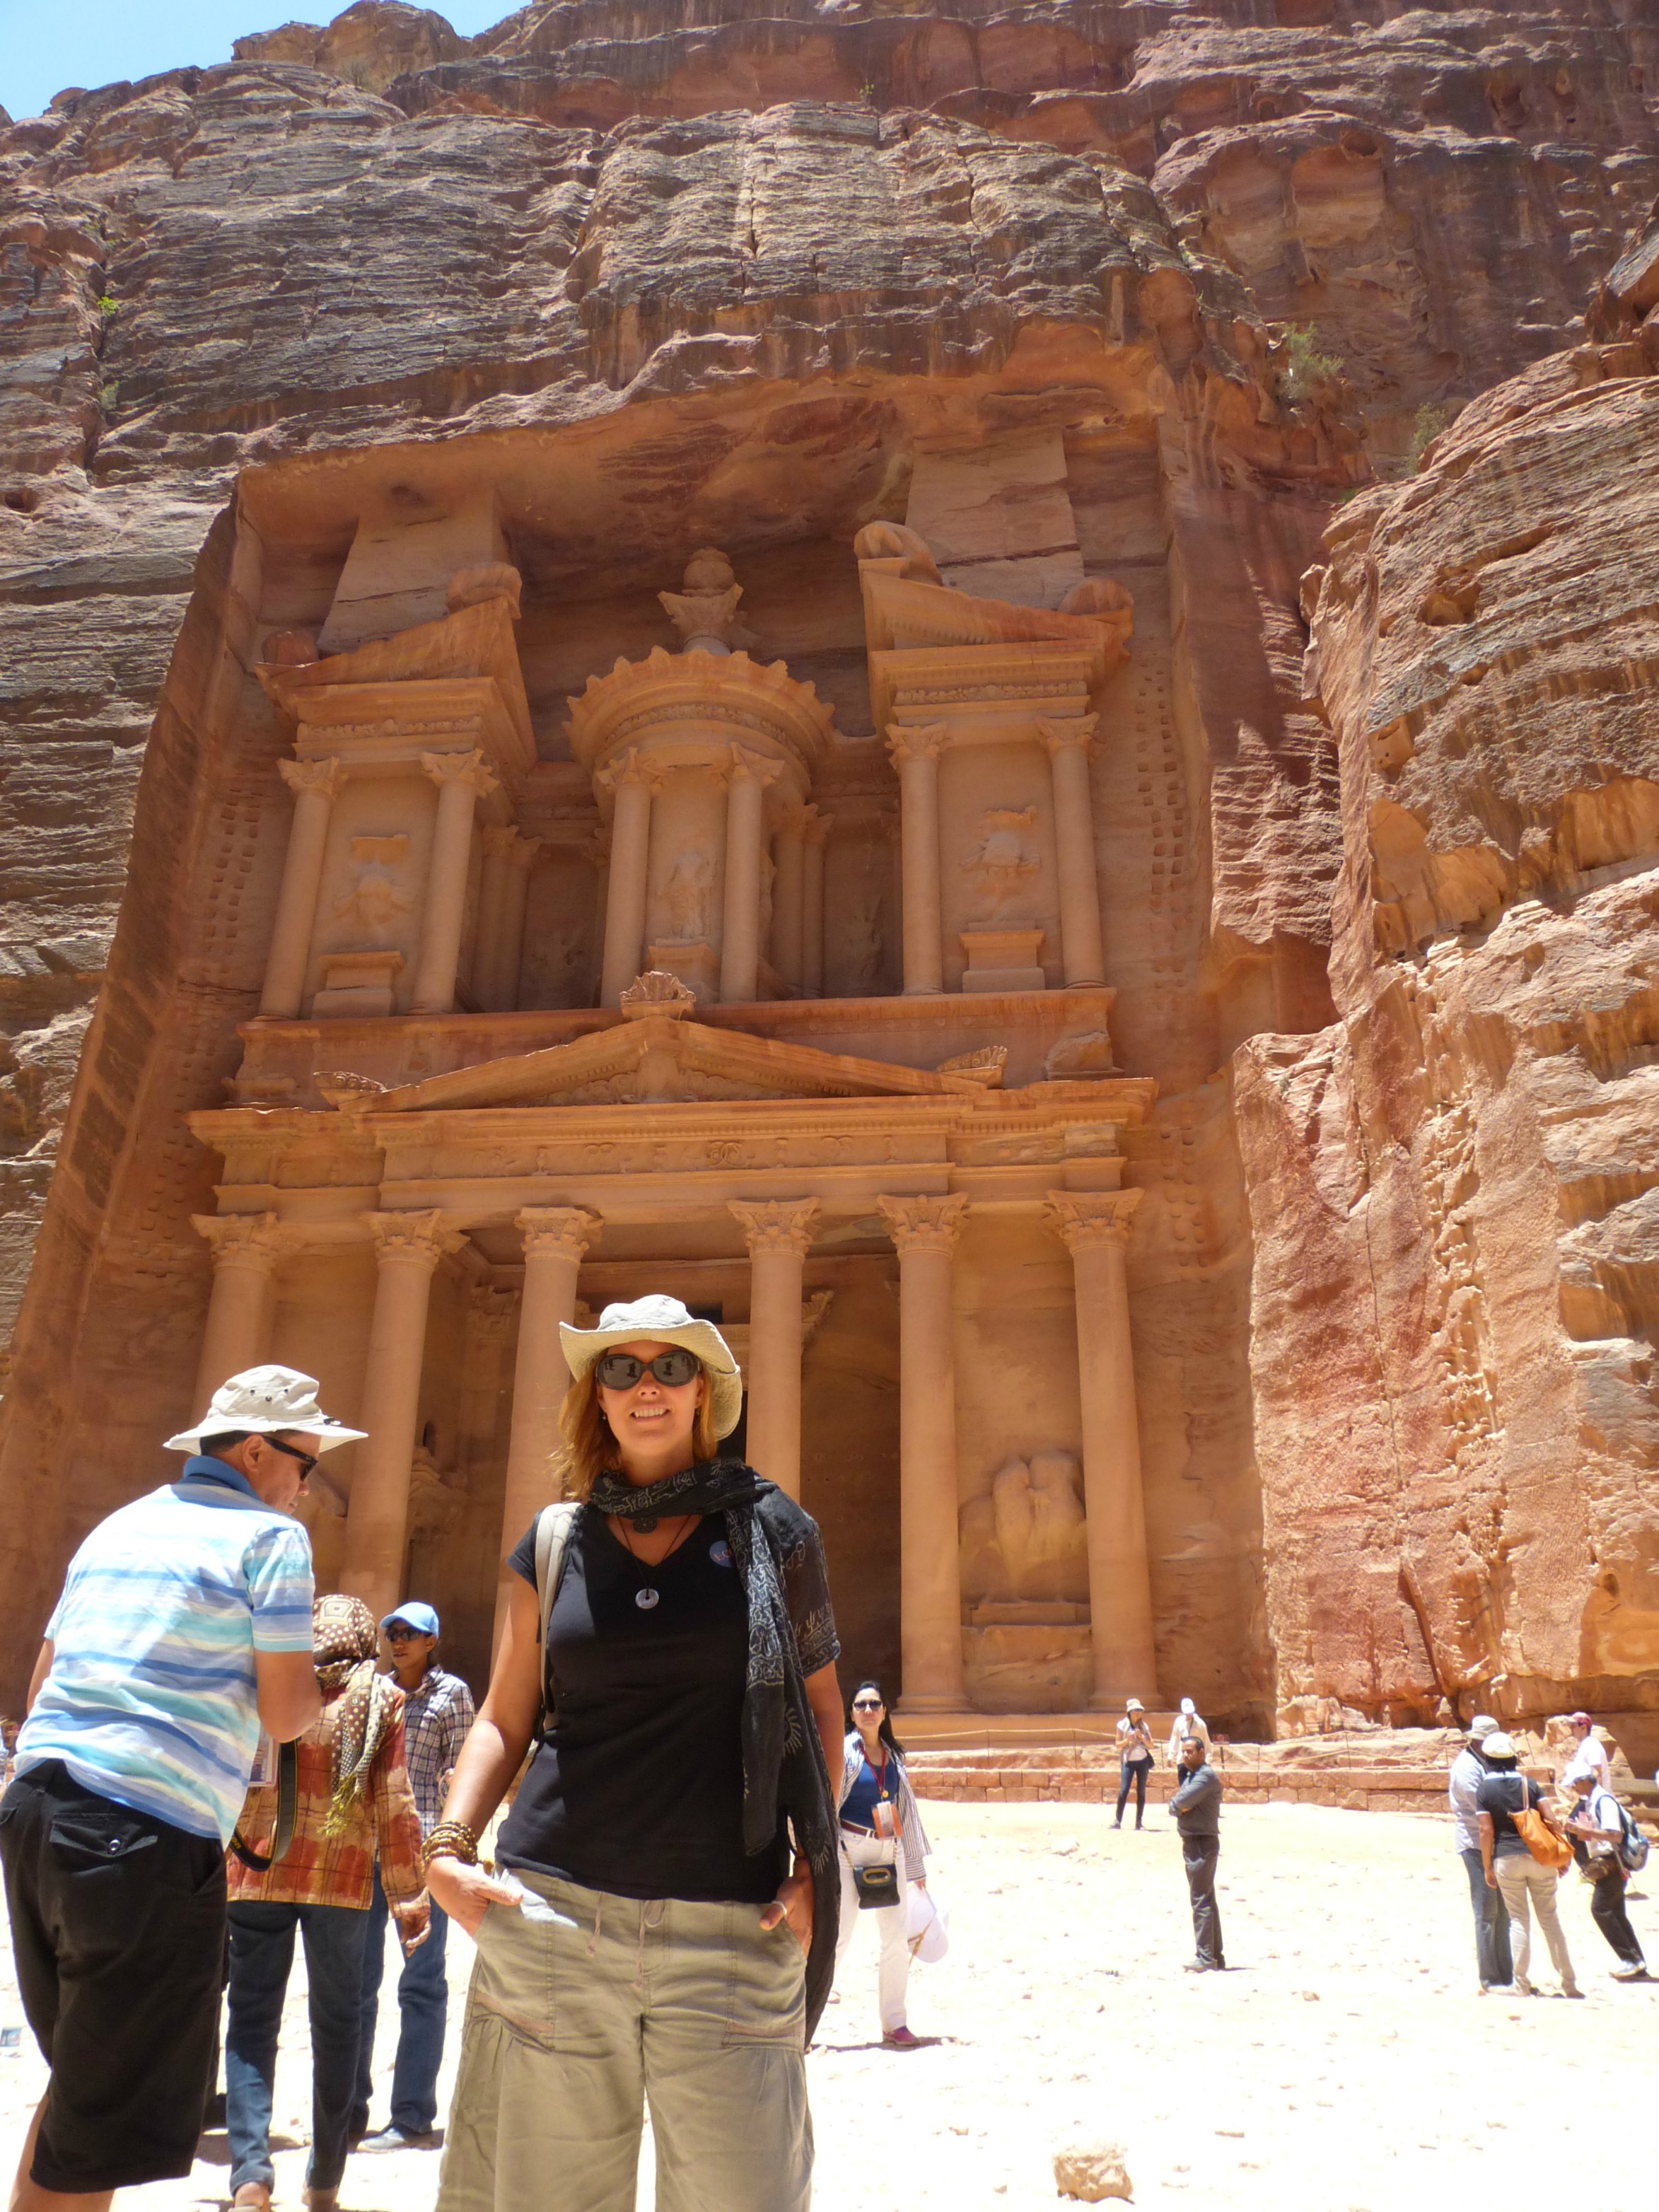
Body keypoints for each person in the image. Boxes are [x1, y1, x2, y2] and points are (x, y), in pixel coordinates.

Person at [424, 1293, 844, 2212]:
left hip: (731, 1924)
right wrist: (446, 1847)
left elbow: (821, 1711)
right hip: (554, 1919)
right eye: (621, 1369)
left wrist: (819, 1867)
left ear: (704, 1392)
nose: (645, 1386)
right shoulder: (554, 1539)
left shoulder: (775, 1531)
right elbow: (503, 1715)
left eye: (670, 1367)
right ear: (597, 1396)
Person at [0, 1365, 354, 2212]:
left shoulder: (119, 1523)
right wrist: (326, 1687)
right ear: (257, 1451)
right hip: (139, 1839)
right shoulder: (272, 1538)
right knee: (99, 2120)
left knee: (84, 2090)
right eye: (306, 1464)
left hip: (35, 1812)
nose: (307, 1487)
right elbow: (287, 1714)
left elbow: (44, 1683)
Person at [225, 1595, 429, 2212]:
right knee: (339, 2024)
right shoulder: (380, 1699)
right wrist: (409, 1895)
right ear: (364, 1640)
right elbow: (393, 1799)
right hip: (340, 1881)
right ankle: (324, 2180)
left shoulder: (267, 1686)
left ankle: (251, 2174)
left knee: (251, 2019)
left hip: (257, 1872)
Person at [353, 1601, 476, 2151]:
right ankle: (348, 2111)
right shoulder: (373, 1693)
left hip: (422, 1856)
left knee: (421, 1985)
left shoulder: (452, 1695)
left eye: (410, 1633)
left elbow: (466, 1768)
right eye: (392, 1633)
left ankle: (411, 2116)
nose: (398, 1641)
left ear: (432, 1641)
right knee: (356, 1984)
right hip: (369, 1850)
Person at [835, 1679, 931, 2049]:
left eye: (874, 1704)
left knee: (895, 1938)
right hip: (849, 1848)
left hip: (890, 1849)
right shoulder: (844, 1752)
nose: (868, 1710)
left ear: (885, 1711)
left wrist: (916, 1866)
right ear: (851, 1713)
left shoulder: (894, 1755)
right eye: (861, 1705)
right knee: (838, 1936)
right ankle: (804, 2022)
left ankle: (895, 2023)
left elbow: (904, 1809)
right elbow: (828, 1800)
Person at [1476, 1731, 1581, 1998]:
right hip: (1540, 1857)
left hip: (1506, 1859)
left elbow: (1486, 1831)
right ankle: (1569, 1982)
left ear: (1488, 1759)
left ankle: (1521, 1984)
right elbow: (1551, 1820)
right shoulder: (1529, 1784)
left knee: (1519, 1921)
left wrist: (1487, 1866)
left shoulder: (1485, 1789)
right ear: (1513, 1758)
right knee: (1550, 1919)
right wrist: (1560, 1855)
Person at [1564, 1767, 1648, 1980]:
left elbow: (1614, 1835)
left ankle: (1630, 1959)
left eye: (1575, 1782)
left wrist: (1585, 1831)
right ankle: (1637, 1962)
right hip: (1608, 1863)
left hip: (1613, 1863)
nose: (1573, 1787)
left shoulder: (1604, 1801)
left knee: (1600, 1909)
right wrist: (1577, 1830)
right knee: (1616, 1913)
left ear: (1586, 1780)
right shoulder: (1592, 1802)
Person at [1450, 1713, 1513, 1992]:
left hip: (1494, 1843)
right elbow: (1485, 1807)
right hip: (1476, 1843)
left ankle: (1506, 1975)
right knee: (1487, 1911)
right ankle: (1489, 1977)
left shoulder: (1484, 1762)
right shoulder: (1466, 1768)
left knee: (1504, 1912)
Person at [1170, 1733, 1224, 1971]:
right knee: (1206, 1899)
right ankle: (1214, 1955)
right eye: (1183, 1752)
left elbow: (1177, 1804)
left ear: (1202, 1753)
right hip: (1196, 1841)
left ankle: (1205, 1957)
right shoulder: (1193, 1776)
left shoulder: (1204, 1777)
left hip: (1201, 1843)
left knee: (1200, 1900)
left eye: (1190, 1752)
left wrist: (1180, 1807)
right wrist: (1180, 1806)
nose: (1185, 1756)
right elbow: (1180, 1804)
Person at [1114, 1696, 1156, 1830]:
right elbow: (1118, 1745)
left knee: (1141, 1791)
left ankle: (1139, 1822)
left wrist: (1141, 1737)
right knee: (1124, 1791)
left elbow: (1151, 1745)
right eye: (1136, 1710)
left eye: (1140, 1710)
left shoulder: (1144, 1727)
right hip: (1128, 1762)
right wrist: (1128, 1740)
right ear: (1130, 1712)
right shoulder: (1122, 1725)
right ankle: (1117, 1820)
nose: (1138, 1713)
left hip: (1142, 1762)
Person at [1561, 1709, 1612, 1791]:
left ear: (1583, 1728)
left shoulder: (1591, 1745)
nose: (1571, 1729)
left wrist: (1596, 1797)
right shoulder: (1585, 1745)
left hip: (1597, 1796)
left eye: (1574, 1726)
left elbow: (1597, 1773)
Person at [1167, 1697, 1211, 1766]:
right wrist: (1170, 1756)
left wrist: (1208, 1759)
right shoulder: (1178, 1722)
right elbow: (1175, 1739)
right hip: (1182, 1760)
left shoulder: (1200, 1724)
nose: (1189, 1714)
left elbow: (1206, 1743)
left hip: (1196, 1761)